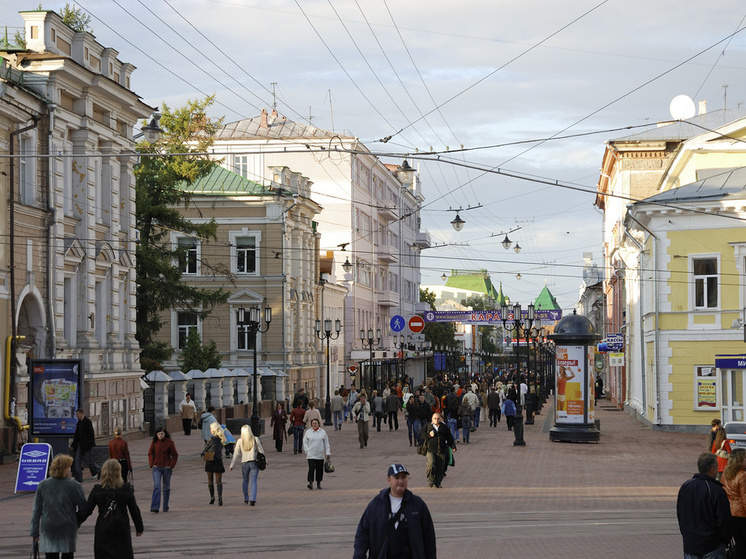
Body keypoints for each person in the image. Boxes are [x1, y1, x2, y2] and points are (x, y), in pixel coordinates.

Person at [353, 464, 437, 559]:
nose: (401, 481)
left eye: (403, 477)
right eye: (397, 477)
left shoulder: (417, 505)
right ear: (388, 480)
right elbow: (362, 534)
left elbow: (429, 537)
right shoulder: (376, 505)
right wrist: (359, 556)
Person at [78, 459, 144, 559]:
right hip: (121, 529)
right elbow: (134, 510)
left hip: (103, 529)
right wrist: (139, 528)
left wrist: (75, 520)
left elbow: (87, 511)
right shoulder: (126, 489)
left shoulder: (97, 490)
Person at [677, 452, 732, 559]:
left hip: (691, 541)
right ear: (712, 469)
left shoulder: (686, 486)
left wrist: (685, 533)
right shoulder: (716, 490)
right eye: (717, 467)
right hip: (712, 544)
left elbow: (680, 513)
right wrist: (725, 539)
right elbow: (723, 519)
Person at [30, 454, 86, 559]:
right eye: (69, 467)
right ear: (64, 469)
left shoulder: (43, 485)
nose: (70, 470)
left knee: (50, 555)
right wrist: (76, 521)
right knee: (68, 555)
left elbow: (36, 510)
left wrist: (34, 531)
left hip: (49, 527)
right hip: (67, 527)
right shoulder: (74, 486)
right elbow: (84, 508)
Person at [230, 424, 265, 506]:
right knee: (254, 481)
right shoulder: (255, 439)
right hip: (254, 462)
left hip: (244, 463)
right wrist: (265, 460)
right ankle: (253, 499)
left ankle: (246, 498)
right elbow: (261, 451)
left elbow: (236, 454)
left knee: (245, 480)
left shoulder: (239, 441)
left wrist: (232, 465)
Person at [421, 412, 456, 489]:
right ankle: (431, 481)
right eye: (435, 418)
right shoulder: (428, 426)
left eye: (438, 418)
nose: (436, 420)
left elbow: (449, 437)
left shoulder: (444, 427)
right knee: (431, 464)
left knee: (441, 467)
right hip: (431, 449)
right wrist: (429, 435)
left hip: (441, 449)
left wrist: (453, 446)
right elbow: (422, 435)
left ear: (440, 419)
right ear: (432, 419)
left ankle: (438, 482)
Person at [147, 426, 178, 513]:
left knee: (166, 487)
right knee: (157, 486)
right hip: (156, 468)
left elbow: (175, 455)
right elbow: (150, 453)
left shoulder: (170, 442)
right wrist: (152, 464)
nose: (160, 435)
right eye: (159, 434)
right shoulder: (154, 442)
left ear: (165, 434)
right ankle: (155, 507)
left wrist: (171, 465)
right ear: (156, 435)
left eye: (162, 434)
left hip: (166, 468)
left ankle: (165, 506)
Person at [722, 448, 746, 557]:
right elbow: (745, 497)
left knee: (739, 542)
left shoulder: (726, 473)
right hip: (742, 513)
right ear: (740, 460)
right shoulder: (742, 475)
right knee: (742, 544)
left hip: (730, 511)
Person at [70, 408, 101, 482]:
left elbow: (91, 434)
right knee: (77, 461)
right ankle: (78, 478)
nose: (76, 416)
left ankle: (99, 470)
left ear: (81, 414)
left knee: (88, 461)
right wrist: (74, 445)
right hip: (80, 445)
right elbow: (76, 436)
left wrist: (89, 444)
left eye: (77, 414)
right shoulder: (79, 423)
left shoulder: (87, 422)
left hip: (87, 446)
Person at [202, 422, 227, 505]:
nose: (210, 430)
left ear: (214, 430)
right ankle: (220, 497)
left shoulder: (211, 439)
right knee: (219, 481)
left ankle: (212, 497)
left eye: (211, 429)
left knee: (210, 480)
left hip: (210, 460)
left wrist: (203, 453)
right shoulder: (222, 439)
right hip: (218, 460)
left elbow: (205, 448)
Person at [303, 418, 331, 490]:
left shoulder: (322, 432)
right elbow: (305, 442)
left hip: (320, 454)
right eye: (313, 423)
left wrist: (328, 452)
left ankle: (318, 482)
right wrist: (307, 450)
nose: (314, 425)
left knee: (319, 469)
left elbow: (326, 443)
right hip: (311, 454)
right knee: (311, 468)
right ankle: (310, 482)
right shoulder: (308, 432)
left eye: (316, 423)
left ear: (318, 424)